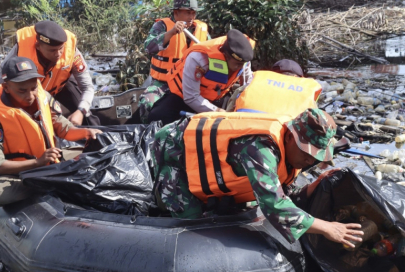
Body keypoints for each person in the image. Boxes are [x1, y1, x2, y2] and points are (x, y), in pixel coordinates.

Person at [152, 108, 363, 246]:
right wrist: (326, 227)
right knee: (193, 226)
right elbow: (274, 204)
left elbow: (286, 190)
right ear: (290, 136)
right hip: (175, 150)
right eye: (307, 153)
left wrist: (317, 183)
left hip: (211, 164)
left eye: (315, 156)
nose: (310, 161)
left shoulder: (292, 152)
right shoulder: (260, 149)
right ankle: (164, 201)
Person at [0, 57, 102, 207]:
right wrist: (37, 162)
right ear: (6, 87)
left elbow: (64, 128)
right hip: (16, 174)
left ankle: (53, 183)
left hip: (49, 162)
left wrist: (87, 132)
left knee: (98, 157)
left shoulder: (42, 97)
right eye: (21, 91)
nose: (30, 96)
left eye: (33, 88)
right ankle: (53, 185)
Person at [0, 20, 97, 135]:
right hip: (30, 92)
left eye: (61, 49)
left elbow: (88, 87)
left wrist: (81, 111)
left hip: (60, 86)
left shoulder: (71, 50)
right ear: (38, 46)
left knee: (88, 114)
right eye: (52, 50)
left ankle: (98, 142)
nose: (58, 54)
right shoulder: (20, 51)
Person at [147, 29, 255, 125]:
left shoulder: (243, 62)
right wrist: (217, 112)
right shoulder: (199, 59)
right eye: (237, 64)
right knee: (157, 117)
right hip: (183, 98)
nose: (240, 68)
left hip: (215, 97)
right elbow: (191, 97)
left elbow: (246, 87)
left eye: (243, 64)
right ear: (226, 56)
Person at [145, 0, 209, 90]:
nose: (191, 17)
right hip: (163, 84)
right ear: (176, 12)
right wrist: (171, 33)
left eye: (193, 13)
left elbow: (212, 50)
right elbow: (148, 48)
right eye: (188, 13)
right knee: (146, 102)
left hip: (191, 83)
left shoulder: (200, 29)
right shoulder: (162, 25)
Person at [225, 59, 322, 117]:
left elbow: (227, 116)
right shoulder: (306, 92)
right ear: (300, 78)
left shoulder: (250, 86)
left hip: (246, 135)